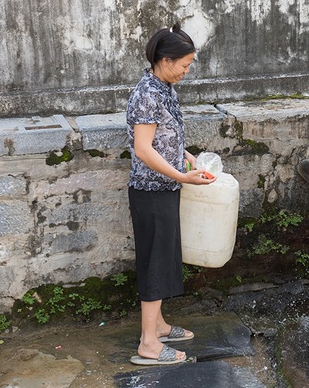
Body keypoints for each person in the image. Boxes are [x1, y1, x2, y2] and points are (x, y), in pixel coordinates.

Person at [126, 23, 216, 365]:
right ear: (165, 59)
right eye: (184, 64)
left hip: (166, 187)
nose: (186, 71)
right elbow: (144, 149)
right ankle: (148, 343)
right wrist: (182, 175)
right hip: (150, 191)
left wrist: (190, 158)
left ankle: (159, 325)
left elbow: (168, 137)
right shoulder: (148, 93)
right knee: (153, 263)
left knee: (163, 259)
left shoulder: (164, 87)